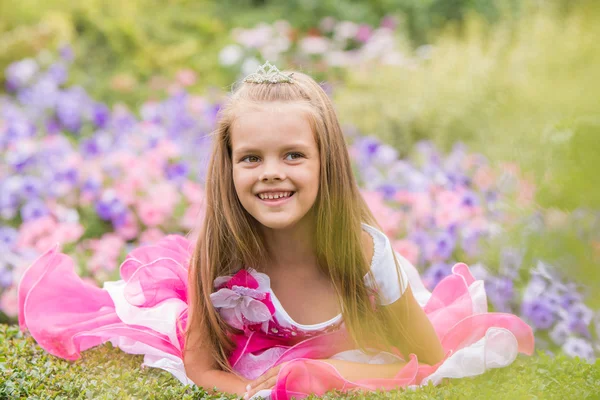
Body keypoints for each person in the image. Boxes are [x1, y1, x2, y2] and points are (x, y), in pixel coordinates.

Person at [18, 62, 535, 400]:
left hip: (354, 339)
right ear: (229, 167)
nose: (271, 172)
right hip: (257, 342)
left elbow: (430, 358)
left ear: (325, 162)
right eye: (251, 158)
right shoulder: (219, 260)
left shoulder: (362, 252)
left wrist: (331, 378)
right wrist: (248, 391)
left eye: (293, 155)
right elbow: (200, 366)